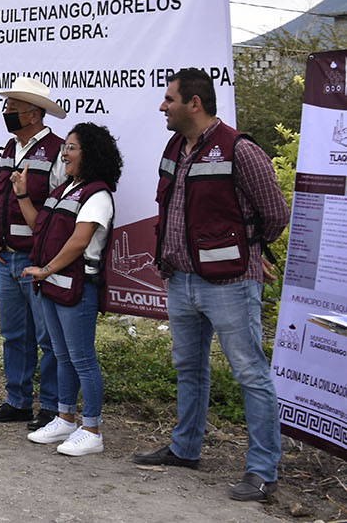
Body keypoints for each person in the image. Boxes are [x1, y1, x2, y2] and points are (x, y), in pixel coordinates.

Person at [132, 68, 290, 502]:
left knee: (250, 374)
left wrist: (250, 252)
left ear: (194, 103)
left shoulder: (240, 150)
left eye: (169, 99)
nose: (162, 106)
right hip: (180, 280)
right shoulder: (174, 147)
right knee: (189, 368)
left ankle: (262, 471)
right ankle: (185, 449)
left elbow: (275, 214)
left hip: (230, 285)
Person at [21, 122, 122, 457]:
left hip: (77, 287)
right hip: (53, 286)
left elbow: (79, 242)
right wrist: (22, 194)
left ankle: (92, 429)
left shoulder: (98, 195)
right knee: (62, 355)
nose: (64, 153)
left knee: (82, 359)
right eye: (64, 146)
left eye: (72, 147)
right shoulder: (63, 189)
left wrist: (46, 269)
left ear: (90, 153)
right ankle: (65, 418)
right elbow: (39, 226)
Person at [0, 77, 68, 430]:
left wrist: (48, 258)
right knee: (14, 334)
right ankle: (17, 401)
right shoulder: (9, 149)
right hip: (6, 258)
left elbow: (62, 208)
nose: (6, 112)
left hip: (37, 260)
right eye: (7, 107)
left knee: (48, 337)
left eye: (12, 107)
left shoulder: (58, 151)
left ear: (34, 113)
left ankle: (52, 406)